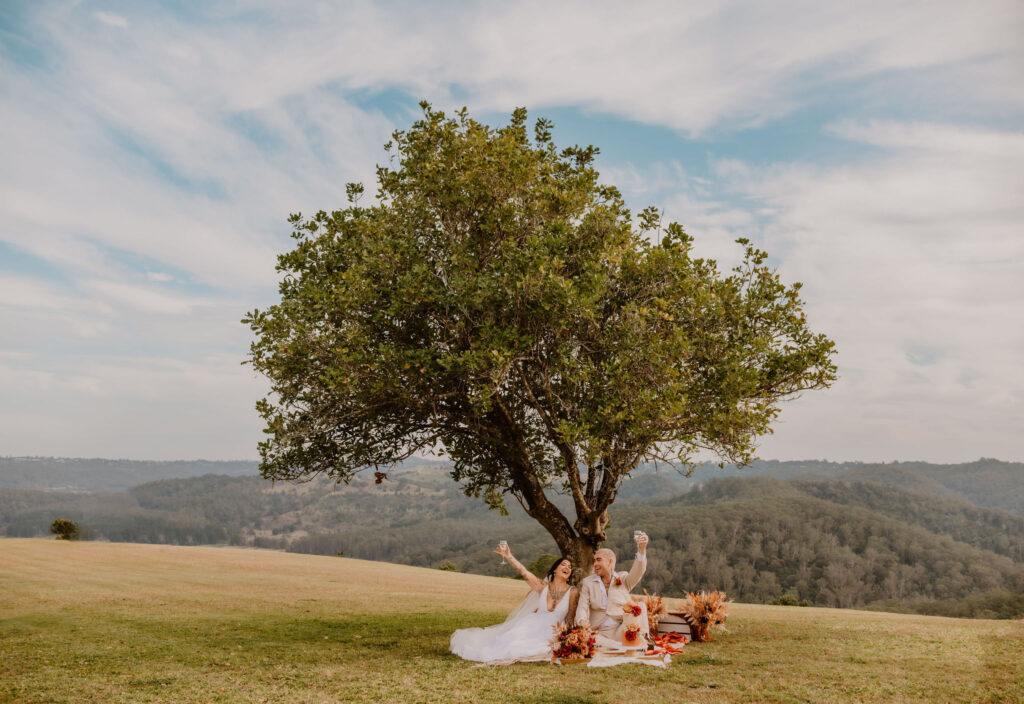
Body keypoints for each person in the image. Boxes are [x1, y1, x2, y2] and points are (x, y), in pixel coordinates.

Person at [450, 546, 578, 663]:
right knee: (511, 645)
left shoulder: (572, 591)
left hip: (553, 632)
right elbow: (524, 572)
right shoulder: (542, 586)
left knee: (538, 648)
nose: (567, 567)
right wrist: (509, 556)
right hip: (532, 626)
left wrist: (564, 638)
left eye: (570, 567)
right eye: (563, 564)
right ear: (555, 570)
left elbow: (570, 618)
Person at [575, 533, 649, 641]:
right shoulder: (588, 583)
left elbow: (638, 572)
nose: (595, 564)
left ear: (610, 562)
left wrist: (642, 550)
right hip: (599, 632)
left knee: (640, 606)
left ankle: (643, 638)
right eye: (594, 560)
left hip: (621, 628)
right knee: (595, 646)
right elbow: (582, 606)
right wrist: (582, 621)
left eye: (598, 560)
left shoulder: (623, 579)